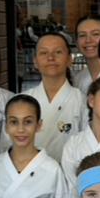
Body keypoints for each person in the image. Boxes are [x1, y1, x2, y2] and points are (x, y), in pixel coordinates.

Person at [24, 33, 86, 162]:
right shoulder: (23, 101)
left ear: (69, 59)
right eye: (43, 53)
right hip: (31, 171)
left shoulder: (82, 101)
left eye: (58, 52)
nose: (51, 58)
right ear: (35, 61)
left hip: (70, 172)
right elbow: (9, 146)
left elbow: (88, 146)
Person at [72, 15, 100, 94]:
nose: (88, 40)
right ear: (76, 43)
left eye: (95, 34)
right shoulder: (78, 79)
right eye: (82, 35)